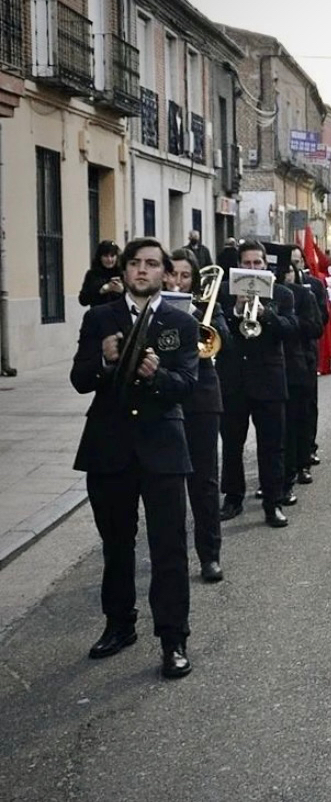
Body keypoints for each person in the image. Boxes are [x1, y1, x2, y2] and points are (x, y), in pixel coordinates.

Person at [71, 237, 198, 679]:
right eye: (135, 263)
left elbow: (187, 384)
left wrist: (157, 375)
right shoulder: (99, 318)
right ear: (124, 271)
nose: (143, 270)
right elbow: (79, 379)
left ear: (165, 273)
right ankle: (119, 624)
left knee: (169, 548)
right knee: (116, 544)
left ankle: (173, 638)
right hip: (109, 447)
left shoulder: (180, 322)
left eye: (152, 264)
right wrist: (104, 363)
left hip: (162, 448)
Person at [216, 241, 297, 528]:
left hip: (269, 380)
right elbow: (215, 331)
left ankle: (273, 503)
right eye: (246, 264)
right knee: (231, 444)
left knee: (272, 446)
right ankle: (233, 498)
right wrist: (236, 311)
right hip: (233, 380)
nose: (252, 268)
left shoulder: (282, 294)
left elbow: (291, 330)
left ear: (266, 265)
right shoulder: (224, 293)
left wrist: (266, 314)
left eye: (257, 263)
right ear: (238, 266)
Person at [168, 250, 230, 583]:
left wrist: (195, 315)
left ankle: (210, 556)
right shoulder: (155, 308)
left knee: (205, 482)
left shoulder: (209, 306)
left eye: (185, 276)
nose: (178, 281)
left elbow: (224, 340)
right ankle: (173, 560)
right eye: (173, 275)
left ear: (194, 280)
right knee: (169, 486)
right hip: (166, 400)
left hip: (203, 400)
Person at [281, 260, 323, 505]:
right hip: (275, 366)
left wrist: (290, 321)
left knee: (302, 415)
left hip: (301, 361)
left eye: (290, 269)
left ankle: (303, 463)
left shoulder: (306, 293)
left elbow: (317, 325)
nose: (286, 274)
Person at [79, 240, 125, 308]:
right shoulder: (93, 274)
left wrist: (122, 291)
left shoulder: (123, 274)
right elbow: (83, 300)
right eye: (105, 256)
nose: (109, 259)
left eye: (112, 256)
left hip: (119, 313)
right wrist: (102, 290)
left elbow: (135, 298)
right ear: (100, 257)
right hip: (98, 312)